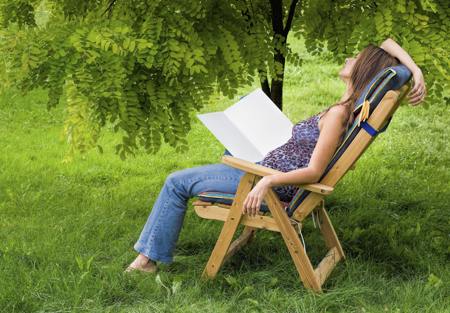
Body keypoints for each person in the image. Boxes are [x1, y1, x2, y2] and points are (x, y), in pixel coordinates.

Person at [125, 38, 426, 273]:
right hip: (264, 164)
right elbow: (387, 43)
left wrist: (265, 183)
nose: (349, 57)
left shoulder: (338, 115)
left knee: (175, 183)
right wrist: (415, 70)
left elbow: (314, 172)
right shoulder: (346, 107)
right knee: (238, 122)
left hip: (265, 179)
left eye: (355, 58)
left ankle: (147, 261)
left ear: (364, 69)